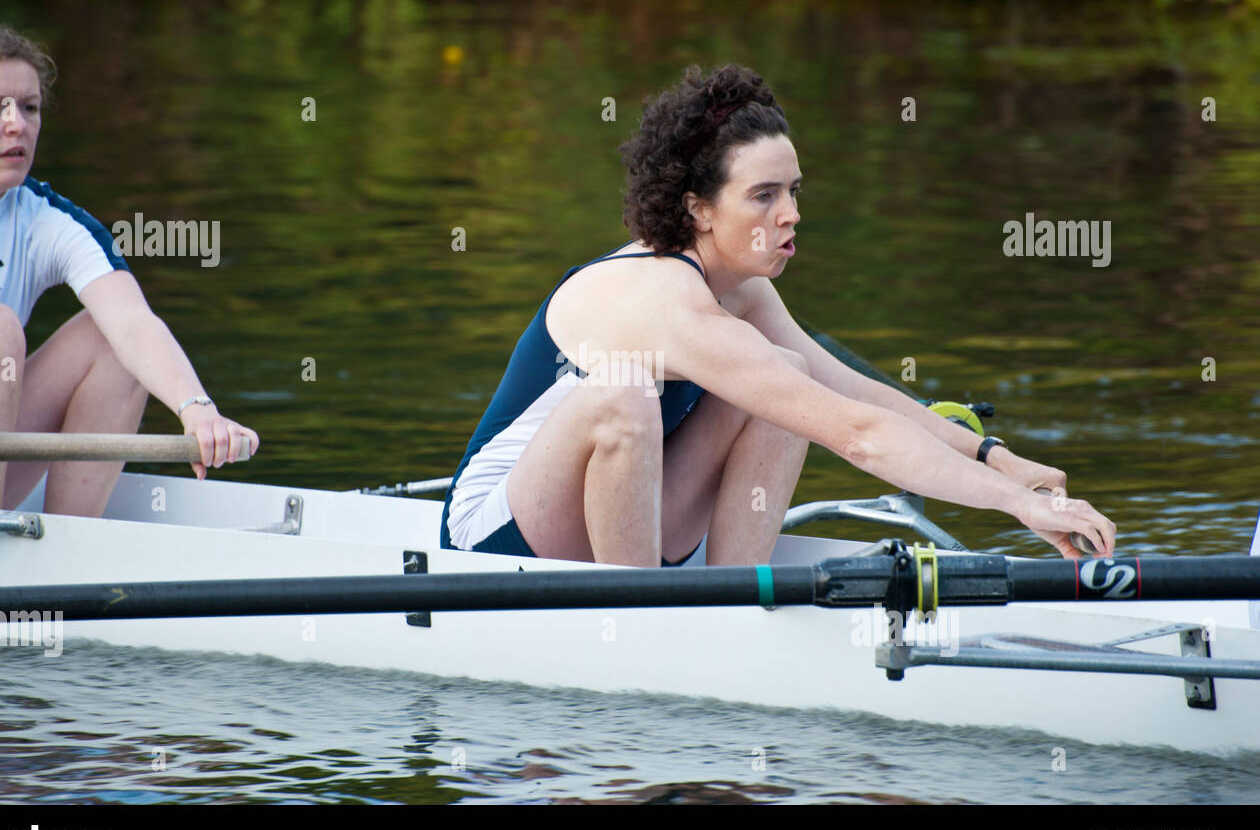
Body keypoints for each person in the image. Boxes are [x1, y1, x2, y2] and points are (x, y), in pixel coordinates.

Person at [441, 63, 1115, 567]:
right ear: (697, 209)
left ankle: (733, 603)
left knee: (787, 380)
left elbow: (856, 398)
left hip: (620, 522)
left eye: (792, 191)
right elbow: (857, 436)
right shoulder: (666, 303)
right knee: (625, 393)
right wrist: (1015, 507)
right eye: (763, 196)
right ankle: (638, 632)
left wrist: (1000, 461)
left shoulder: (745, 290)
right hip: (495, 538)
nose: (790, 214)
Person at [0, 19, 258, 515]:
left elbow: (133, 325)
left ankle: (64, 553)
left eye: (30, 108)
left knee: (112, 342)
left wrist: (197, 409)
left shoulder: (50, 221)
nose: (18, 125)